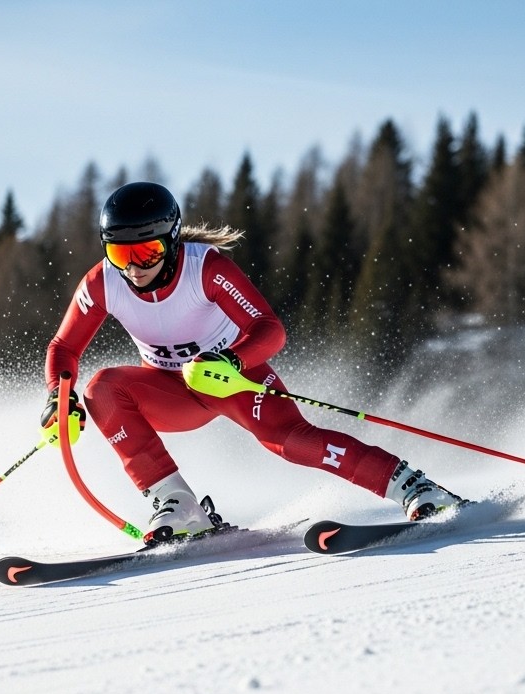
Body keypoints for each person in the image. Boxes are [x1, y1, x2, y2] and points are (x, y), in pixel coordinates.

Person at [42, 181, 466, 545]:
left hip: (231, 379)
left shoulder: (205, 268)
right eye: (121, 254)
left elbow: (270, 329)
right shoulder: (102, 282)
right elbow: (64, 347)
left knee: (294, 442)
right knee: (101, 389)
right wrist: (58, 398)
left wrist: (232, 361)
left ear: (171, 242)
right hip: (171, 392)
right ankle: (180, 507)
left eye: (148, 253)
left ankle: (414, 487)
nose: (134, 268)